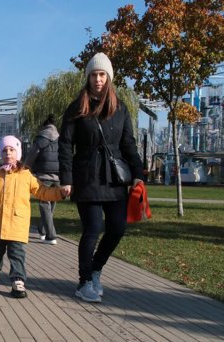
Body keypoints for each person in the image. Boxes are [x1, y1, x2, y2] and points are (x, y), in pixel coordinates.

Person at [58, 53, 144, 303]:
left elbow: (129, 144)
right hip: (86, 177)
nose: (98, 79)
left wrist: (138, 174)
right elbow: (65, 145)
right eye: (94, 74)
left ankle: (95, 269)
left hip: (114, 179)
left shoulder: (120, 108)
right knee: (93, 229)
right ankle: (84, 282)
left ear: (109, 78)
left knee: (117, 228)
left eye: (102, 74)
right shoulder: (77, 107)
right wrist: (66, 178)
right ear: (88, 77)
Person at [0, 135, 66, 298]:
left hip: (17, 224)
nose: (8, 153)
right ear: (0, 154)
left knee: (17, 254)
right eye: (4, 150)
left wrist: (59, 192)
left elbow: (42, 191)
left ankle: (18, 280)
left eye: (11, 150)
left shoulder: (26, 175)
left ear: (18, 153)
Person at [25, 115, 60, 245]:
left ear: (44, 126)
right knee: (51, 204)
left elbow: (32, 155)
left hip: (44, 176)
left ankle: (51, 236)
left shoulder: (41, 138)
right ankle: (42, 230)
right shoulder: (60, 139)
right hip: (57, 176)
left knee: (44, 205)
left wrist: (26, 168)